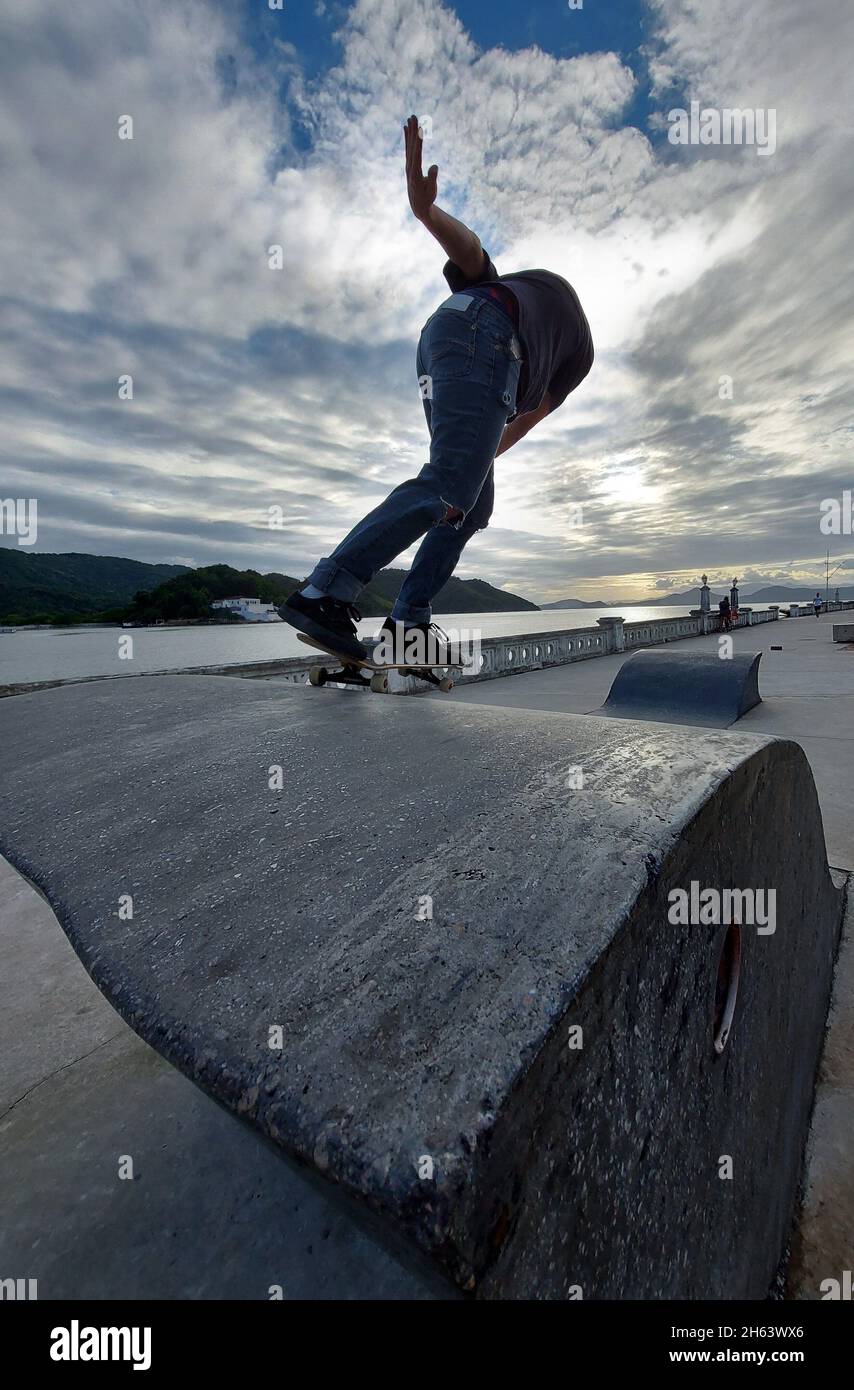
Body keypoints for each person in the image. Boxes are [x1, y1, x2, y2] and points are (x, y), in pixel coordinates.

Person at [280, 115, 594, 664]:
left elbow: (472, 254)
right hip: (486, 343)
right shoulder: (576, 351)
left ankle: (408, 621)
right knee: (450, 486)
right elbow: (524, 422)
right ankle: (325, 591)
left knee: (468, 505)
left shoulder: (512, 290)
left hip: (440, 340)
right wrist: (424, 211)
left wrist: (426, 213)